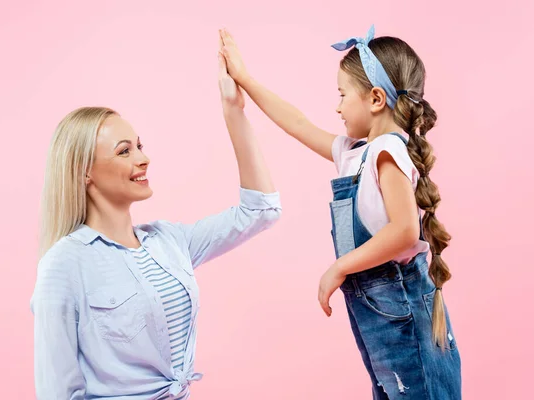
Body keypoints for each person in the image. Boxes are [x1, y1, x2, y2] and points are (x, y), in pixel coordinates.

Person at [219, 25, 461, 399]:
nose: (337, 106)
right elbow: (297, 124)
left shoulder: (387, 152)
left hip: (401, 306)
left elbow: (404, 231)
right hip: (377, 309)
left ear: (376, 98)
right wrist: (245, 80)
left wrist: (340, 267)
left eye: (343, 95)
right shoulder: (356, 153)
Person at [30, 40, 281, 400]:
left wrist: (233, 110)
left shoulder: (169, 242)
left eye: (139, 145)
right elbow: (57, 392)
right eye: (124, 151)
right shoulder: (64, 264)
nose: (143, 158)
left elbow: (261, 211)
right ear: (85, 171)